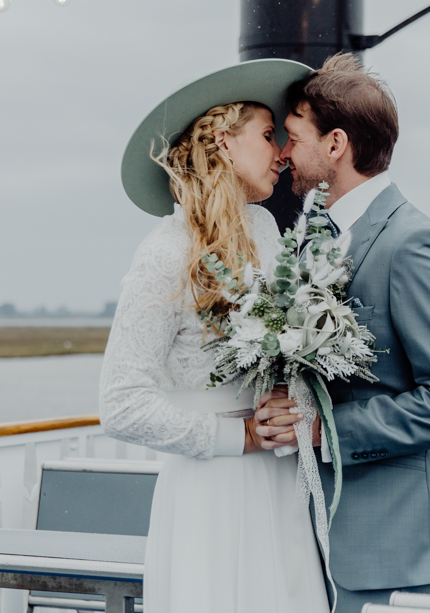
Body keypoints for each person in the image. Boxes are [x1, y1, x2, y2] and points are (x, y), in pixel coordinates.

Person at [258, 52, 430, 613]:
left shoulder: (411, 243)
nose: (284, 153)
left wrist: (324, 431)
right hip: (317, 529)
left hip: (393, 543)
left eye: (292, 137)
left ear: (335, 144)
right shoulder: (316, 236)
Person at [99, 59, 329, 613]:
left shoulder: (267, 231)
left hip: (279, 484)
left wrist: (290, 406)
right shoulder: (165, 253)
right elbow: (120, 405)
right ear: (224, 142)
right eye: (269, 135)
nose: (282, 152)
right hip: (211, 492)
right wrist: (244, 436)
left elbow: (283, 355)